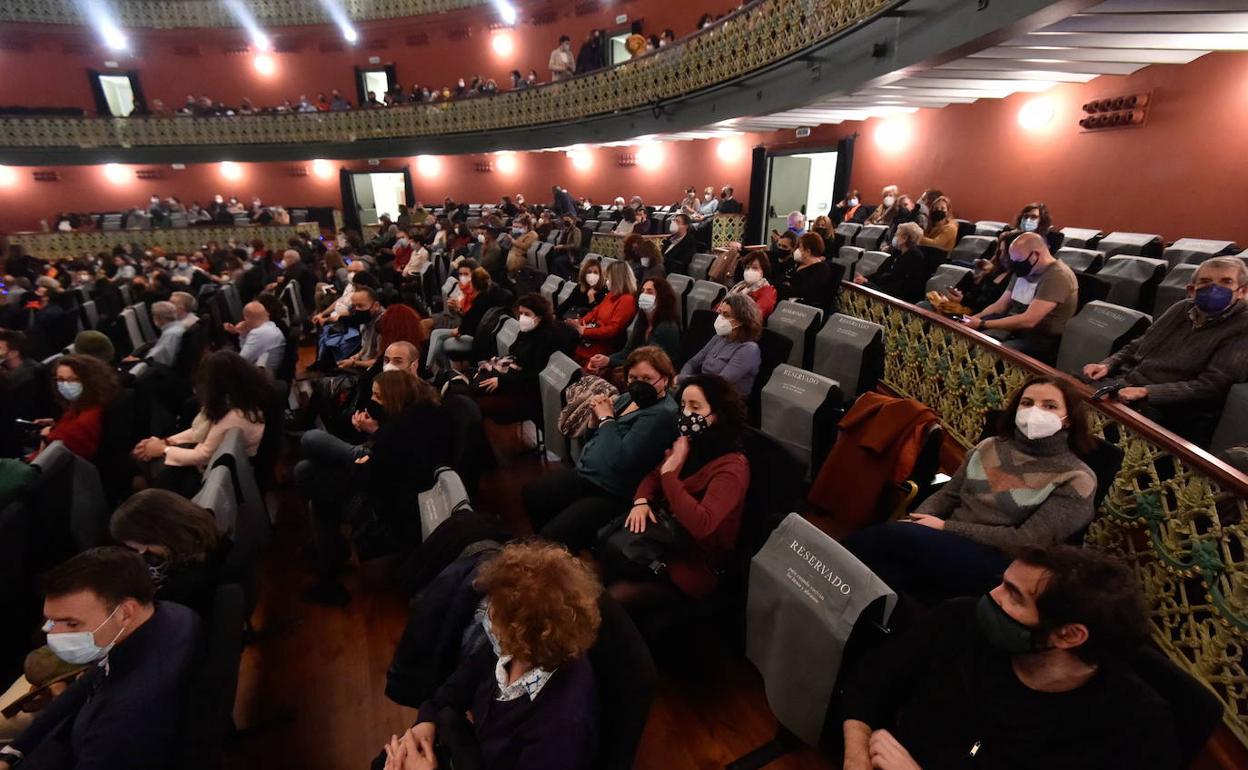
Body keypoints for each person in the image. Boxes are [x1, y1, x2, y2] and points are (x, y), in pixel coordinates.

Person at [840, 545, 1178, 770]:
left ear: (1068, 635)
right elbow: (870, 683)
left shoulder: (1135, 728)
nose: (992, 596)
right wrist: (856, 755)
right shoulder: (960, 619)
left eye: (1014, 596)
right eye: (1003, 583)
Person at [844, 376, 1097, 605]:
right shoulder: (988, 447)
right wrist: (916, 521)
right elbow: (948, 495)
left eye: (1049, 406)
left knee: (894, 542)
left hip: (1002, 561)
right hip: (942, 540)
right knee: (889, 560)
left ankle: (827, 572)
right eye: (1027, 403)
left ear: (1069, 419)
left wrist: (943, 528)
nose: (1035, 412)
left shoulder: (1077, 477)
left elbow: (1026, 541)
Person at [381, 542, 600, 770]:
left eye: (495, 615)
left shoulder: (561, 730)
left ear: (523, 634)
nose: (489, 621)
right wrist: (426, 720)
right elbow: (454, 689)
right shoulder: (513, 650)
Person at [0, 548, 200, 770]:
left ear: (125, 612)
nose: (53, 635)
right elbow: (88, 681)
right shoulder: (171, 616)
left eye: (72, 624)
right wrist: (14, 751)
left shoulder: (124, 717)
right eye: (51, 621)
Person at [298, 371, 450, 604]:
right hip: (406, 488)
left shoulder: (395, 431)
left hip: (388, 508)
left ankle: (329, 570)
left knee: (313, 486)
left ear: (394, 396)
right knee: (310, 471)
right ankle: (328, 563)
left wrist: (367, 456)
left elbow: (371, 477)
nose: (373, 401)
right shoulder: (425, 413)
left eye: (378, 397)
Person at [608, 374, 749, 606]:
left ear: (718, 414)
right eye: (683, 405)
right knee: (612, 554)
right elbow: (653, 476)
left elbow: (702, 525)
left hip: (694, 560)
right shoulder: (690, 443)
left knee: (615, 598)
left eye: (695, 406)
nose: (686, 413)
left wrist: (670, 475)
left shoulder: (732, 468)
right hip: (665, 538)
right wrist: (641, 500)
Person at [524, 346, 679, 550]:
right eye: (632, 378)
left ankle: (558, 558)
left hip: (613, 490)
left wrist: (606, 418)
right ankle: (559, 554)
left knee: (550, 537)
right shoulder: (628, 399)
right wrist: (595, 422)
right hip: (589, 473)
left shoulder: (662, 414)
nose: (638, 384)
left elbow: (622, 458)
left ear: (665, 379)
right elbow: (595, 439)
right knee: (534, 493)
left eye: (647, 379)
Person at [1083, 256, 1248, 445]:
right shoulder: (1181, 308)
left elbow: (1213, 385)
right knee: (1068, 390)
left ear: (1242, 291)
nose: (1214, 288)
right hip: (1127, 384)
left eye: (1226, 282)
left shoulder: (1243, 326)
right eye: (1206, 282)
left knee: (1098, 434)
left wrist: (1148, 391)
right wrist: (1107, 363)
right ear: (1192, 290)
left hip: (1173, 407)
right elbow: (1140, 343)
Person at [131, 350, 269, 498]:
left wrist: (163, 450)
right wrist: (166, 441)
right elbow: (199, 430)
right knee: (144, 458)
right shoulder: (241, 400)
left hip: (218, 474)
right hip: (218, 463)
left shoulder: (235, 415)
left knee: (146, 465)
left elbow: (202, 455)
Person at [109, 489, 227, 619]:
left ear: (156, 535)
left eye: (141, 546)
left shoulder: (184, 584)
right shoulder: (201, 537)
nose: (142, 552)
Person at [964, 232, 1079, 363]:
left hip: (1037, 340)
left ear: (1036, 254)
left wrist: (983, 323)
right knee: (966, 343)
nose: (1016, 265)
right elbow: (1000, 305)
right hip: (1012, 331)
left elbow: (1029, 321)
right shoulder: (1025, 269)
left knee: (982, 356)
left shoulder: (1057, 276)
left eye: (1019, 260)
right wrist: (975, 318)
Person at [473, 294, 564, 422]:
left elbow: (536, 374)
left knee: (479, 405)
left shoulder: (547, 339)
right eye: (520, 313)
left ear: (539, 317)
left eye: (527, 314)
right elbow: (515, 356)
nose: (522, 317)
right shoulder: (526, 332)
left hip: (528, 392)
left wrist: (502, 382)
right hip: (514, 380)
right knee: (474, 393)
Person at [588, 277, 680, 376]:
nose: (644, 295)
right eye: (642, 291)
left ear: (662, 298)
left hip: (656, 375)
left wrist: (609, 362)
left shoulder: (667, 327)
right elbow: (627, 352)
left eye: (649, 292)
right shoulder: (642, 321)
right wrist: (602, 360)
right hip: (640, 368)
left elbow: (648, 363)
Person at [33, 355, 119, 461]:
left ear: (89, 381)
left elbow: (48, 458)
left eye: (72, 379)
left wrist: (46, 437)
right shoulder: (85, 403)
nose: (65, 385)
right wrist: (55, 425)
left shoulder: (85, 420)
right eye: (60, 379)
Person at [426, 267, 509, 374]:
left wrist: (459, 315)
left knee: (438, 336)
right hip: (475, 334)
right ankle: (441, 370)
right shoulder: (487, 298)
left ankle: (431, 368)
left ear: (473, 284)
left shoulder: (480, 302)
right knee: (437, 334)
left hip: (475, 338)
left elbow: (467, 325)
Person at [679, 294, 761, 397]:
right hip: (700, 389)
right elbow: (692, 363)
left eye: (726, 315)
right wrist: (682, 380)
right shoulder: (718, 338)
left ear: (742, 320)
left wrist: (683, 380)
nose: (720, 318)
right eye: (720, 313)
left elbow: (719, 383)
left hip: (724, 401)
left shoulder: (749, 349)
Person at [570, 261, 637, 366]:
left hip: (605, 344)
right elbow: (595, 312)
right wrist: (579, 323)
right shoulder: (611, 294)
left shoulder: (627, 300)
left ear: (617, 279)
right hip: (593, 336)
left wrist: (585, 331)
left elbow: (613, 330)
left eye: (609, 278)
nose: (606, 281)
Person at [854, 221, 927, 304]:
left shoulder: (915, 257)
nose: (894, 237)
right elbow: (881, 271)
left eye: (897, 234)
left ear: (905, 238)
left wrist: (869, 283)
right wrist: (867, 279)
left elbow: (895, 280)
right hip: (885, 288)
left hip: (899, 295)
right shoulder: (897, 252)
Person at [777, 232, 832, 308]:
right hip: (787, 299)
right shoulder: (798, 263)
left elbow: (807, 291)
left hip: (803, 307)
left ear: (808, 252)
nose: (797, 250)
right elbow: (784, 278)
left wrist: (787, 288)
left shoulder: (821, 269)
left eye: (800, 247)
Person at [229, 300, 286, 370]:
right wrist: (243, 335)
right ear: (266, 314)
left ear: (246, 319)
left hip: (263, 377)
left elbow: (241, 362)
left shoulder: (258, 333)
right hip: (267, 373)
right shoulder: (270, 326)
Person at [726, 251, 778, 319]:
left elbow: (755, 315)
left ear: (763, 271)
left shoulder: (768, 292)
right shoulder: (740, 286)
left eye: (755, 268)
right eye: (747, 268)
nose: (750, 271)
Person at [133, 301, 185, 367]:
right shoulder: (177, 327)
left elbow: (159, 360)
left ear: (158, 317)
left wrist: (137, 360)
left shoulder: (170, 334)